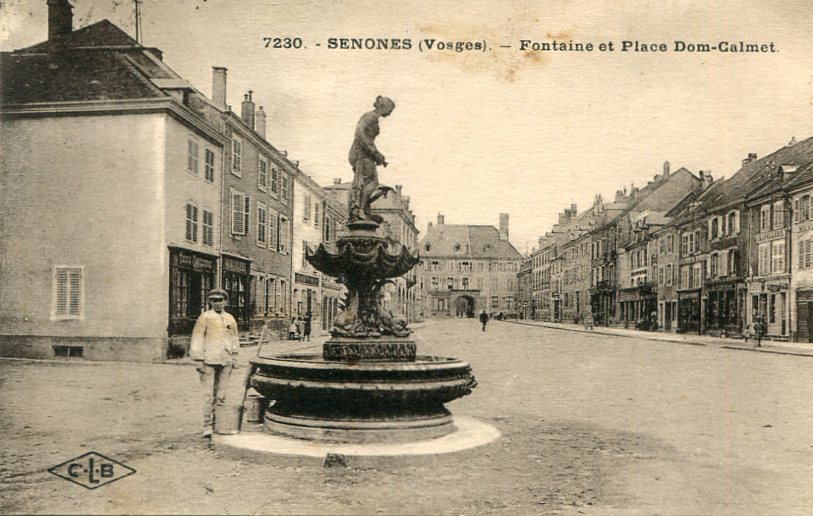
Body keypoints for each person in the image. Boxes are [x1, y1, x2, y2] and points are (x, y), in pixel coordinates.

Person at [189, 289, 240, 438]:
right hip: (208, 360)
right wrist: (198, 360)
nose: (217, 303)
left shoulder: (230, 318)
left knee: (221, 394)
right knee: (208, 395)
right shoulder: (205, 317)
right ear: (210, 302)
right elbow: (197, 339)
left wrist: (235, 356)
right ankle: (207, 425)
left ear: (225, 301)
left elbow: (234, 339)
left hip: (226, 360)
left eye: (220, 300)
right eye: (214, 300)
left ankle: (219, 423)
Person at [348, 96, 396, 223]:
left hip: (365, 153)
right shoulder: (371, 117)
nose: (390, 113)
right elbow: (359, 133)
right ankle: (361, 210)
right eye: (390, 109)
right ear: (384, 107)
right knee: (372, 182)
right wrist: (372, 151)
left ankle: (363, 209)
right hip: (360, 154)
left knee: (368, 182)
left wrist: (378, 155)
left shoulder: (373, 118)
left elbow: (369, 140)